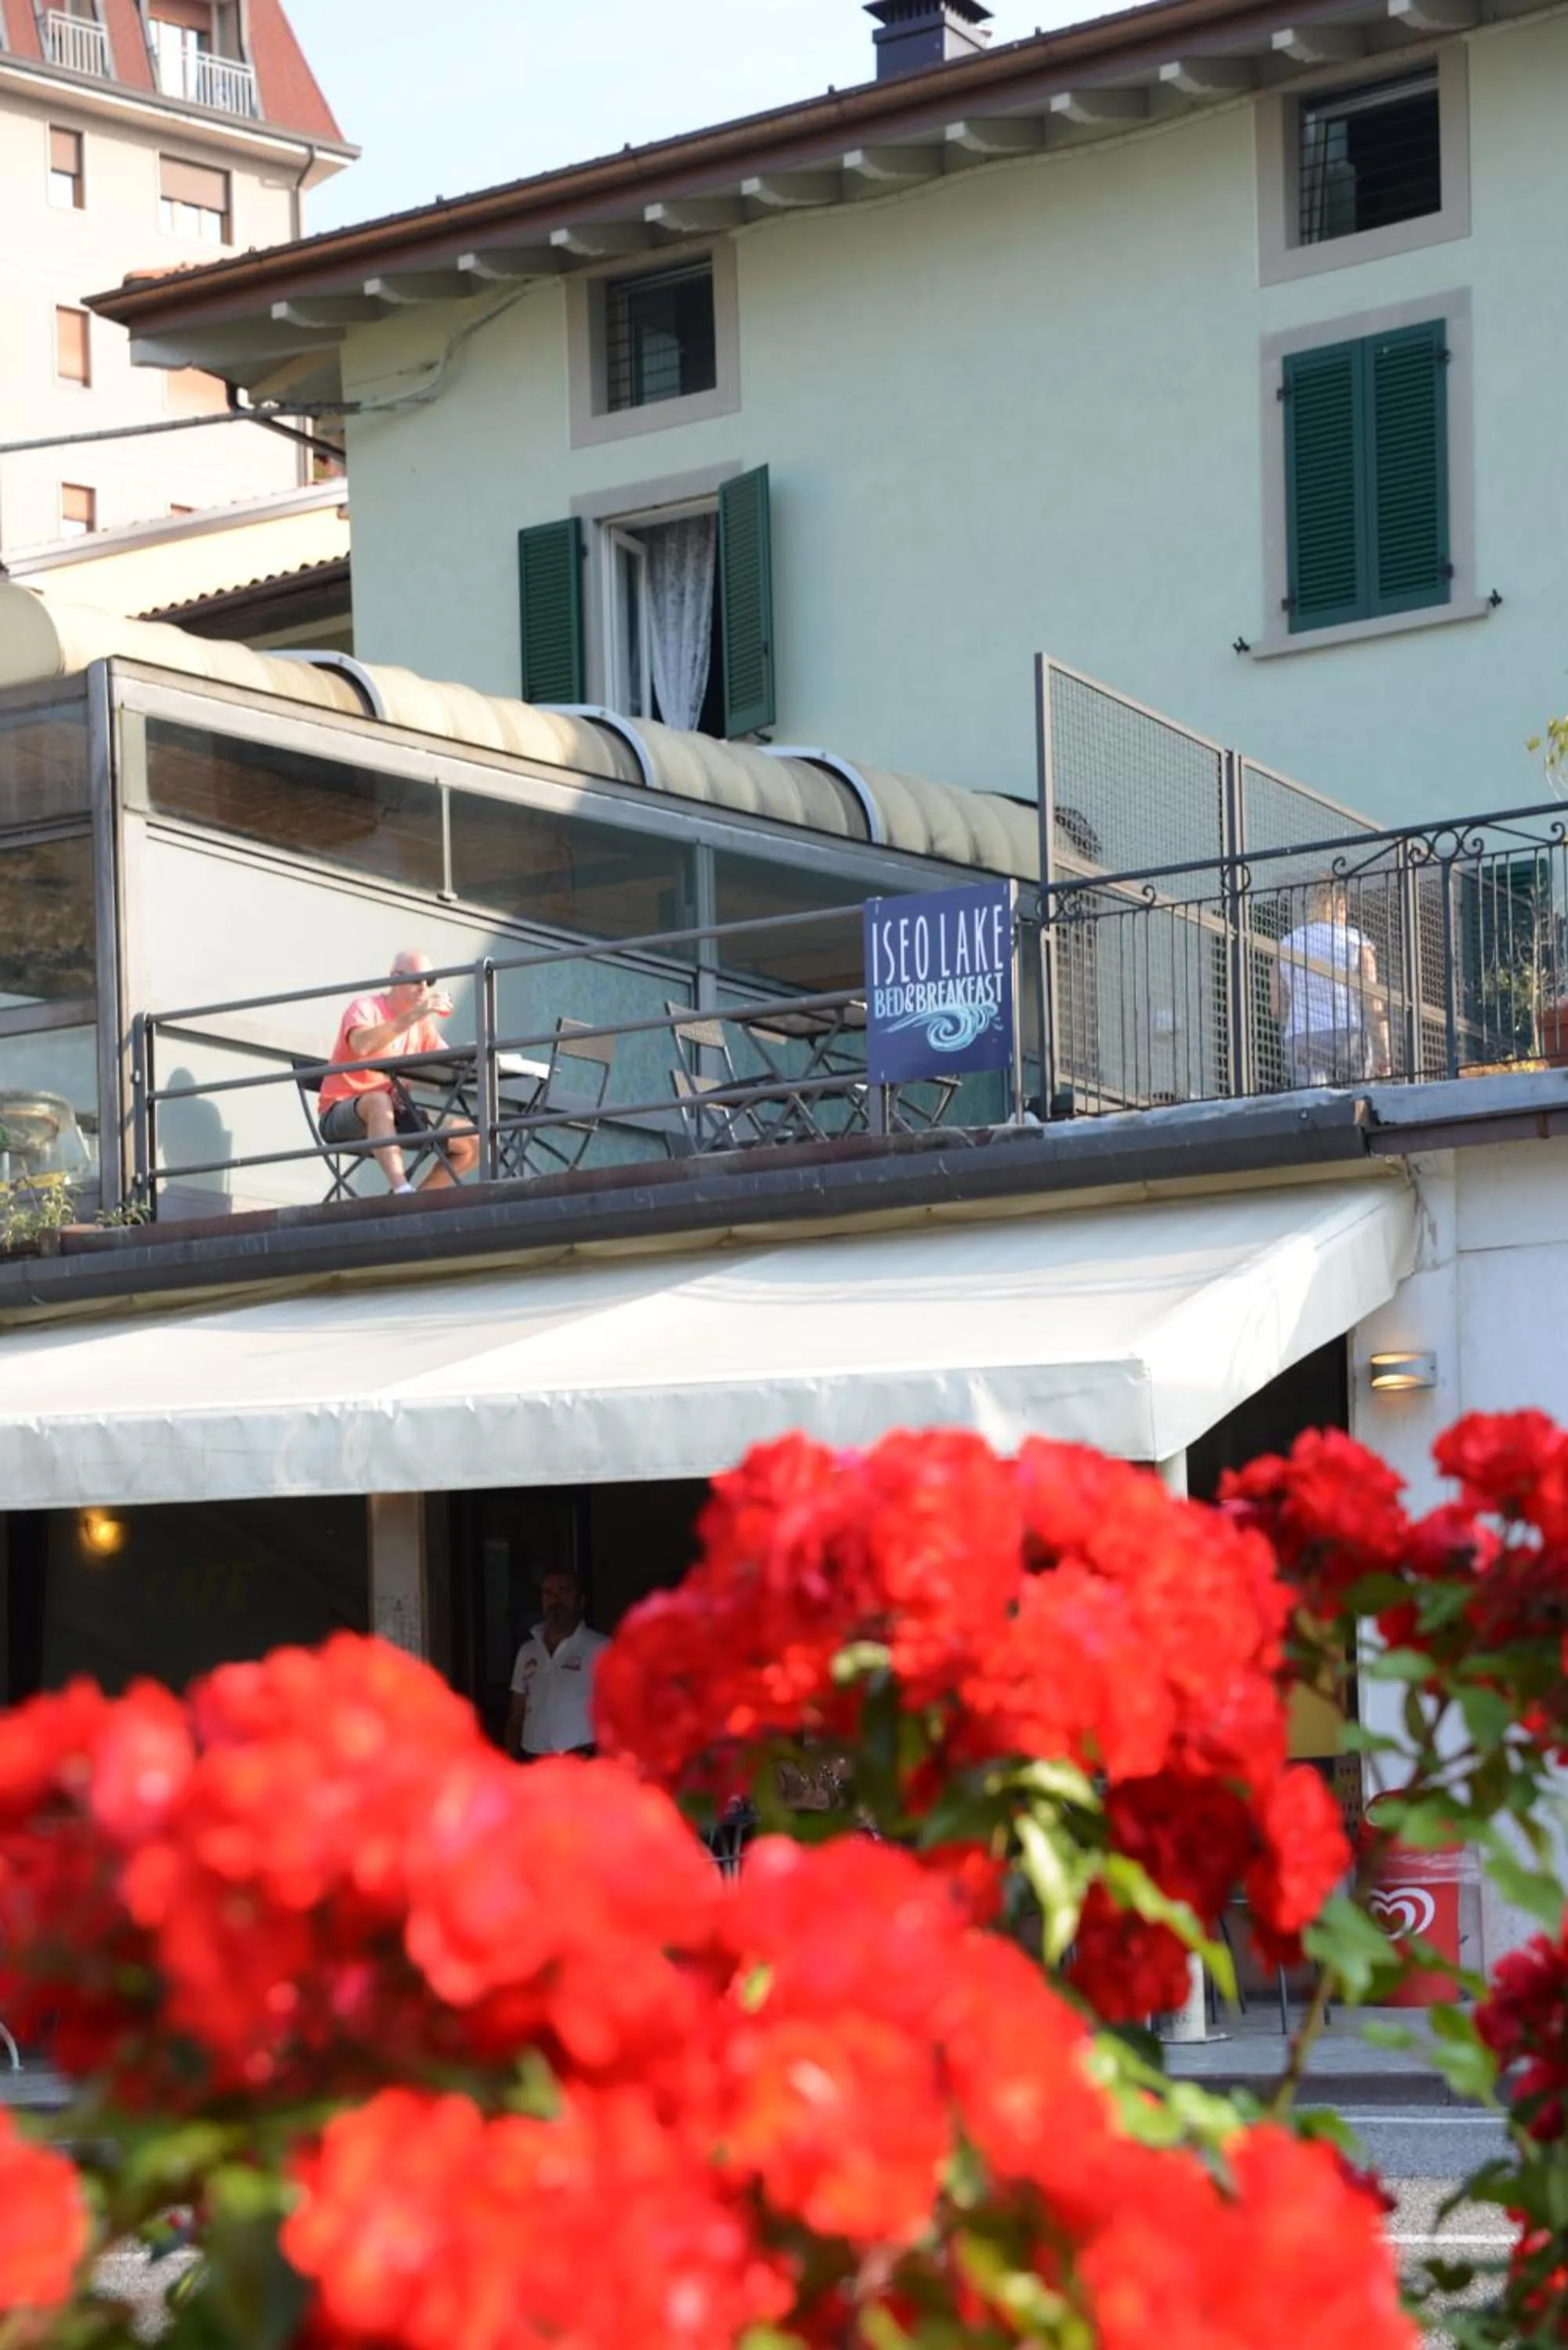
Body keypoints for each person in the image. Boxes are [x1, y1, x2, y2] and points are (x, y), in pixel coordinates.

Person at [316, 949, 479, 1195]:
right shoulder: (365, 1007)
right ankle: (401, 1188)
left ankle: (414, 1203)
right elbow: (362, 1044)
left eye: (430, 982)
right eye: (416, 980)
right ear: (395, 978)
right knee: (379, 1101)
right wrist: (416, 1014)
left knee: (474, 1140)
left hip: (396, 1115)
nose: (424, 988)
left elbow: (449, 1064)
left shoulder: (422, 1025)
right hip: (341, 1113)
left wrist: (476, 1055)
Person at [1270, 880, 1391, 1088]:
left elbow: (1276, 1006)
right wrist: (1383, 1050)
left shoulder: (1286, 944)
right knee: (1357, 1100)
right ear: (1341, 905)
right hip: (1348, 1030)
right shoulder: (1356, 941)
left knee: (1312, 1106)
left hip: (1302, 1034)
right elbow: (1373, 999)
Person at [505, 1568, 609, 1760]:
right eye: (549, 1593)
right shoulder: (528, 1651)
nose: (556, 1600)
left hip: (582, 1764)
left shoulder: (601, 1649)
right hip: (534, 1762)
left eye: (564, 1591)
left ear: (581, 1601)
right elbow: (516, 1716)